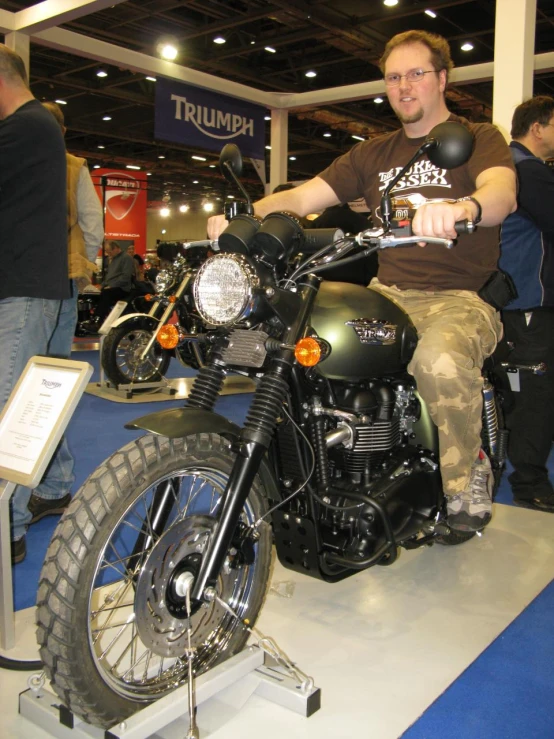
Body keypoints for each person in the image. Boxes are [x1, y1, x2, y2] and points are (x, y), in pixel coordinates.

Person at [208, 30, 517, 533]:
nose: (404, 86)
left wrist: (465, 207)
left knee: (437, 360)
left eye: (416, 73)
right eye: (394, 77)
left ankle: (467, 476)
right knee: (307, 343)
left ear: (441, 79)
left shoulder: (478, 138)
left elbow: (502, 192)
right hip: (388, 294)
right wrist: (242, 219)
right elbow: (306, 197)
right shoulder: (373, 154)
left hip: (459, 297)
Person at [0, 45, 68, 563]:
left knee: (10, 409)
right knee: (33, 396)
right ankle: (54, 485)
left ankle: (9, 527)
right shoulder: (38, 126)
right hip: (31, 283)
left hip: (22, 286)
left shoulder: (27, 124)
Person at [25, 102, 104, 528]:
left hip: (49, 285)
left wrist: (81, 265)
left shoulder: (70, 165)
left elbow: (93, 223)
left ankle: (53, 487)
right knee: (46, 382)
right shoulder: (72, 164)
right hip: (58, 283)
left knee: (39, 385)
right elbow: (92, 223)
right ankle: (53, 485)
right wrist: (83, 264)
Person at [496, 96, 554, 513]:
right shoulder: (527, 170)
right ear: (538, 126)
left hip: (516, 301)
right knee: (535, 395)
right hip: (527, 303)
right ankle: (529, 482)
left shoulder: (507, 167)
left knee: (521, 393)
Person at [83, 240, 135, 330]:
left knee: (106, 294)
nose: (107, 253)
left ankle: (98, 321)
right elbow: (108, 277)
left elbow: (126, 277)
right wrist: (101, 286)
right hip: (111, 287)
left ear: (115, 249)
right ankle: (90, 318)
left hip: (122, 288)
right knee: (92, 295)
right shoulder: (113, 259)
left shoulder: (127, 258)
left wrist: (112, 285)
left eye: (109, 251)